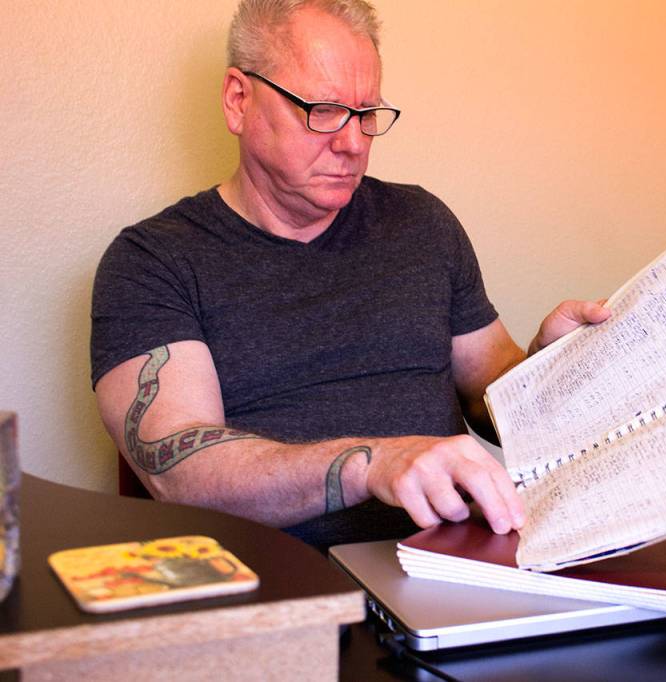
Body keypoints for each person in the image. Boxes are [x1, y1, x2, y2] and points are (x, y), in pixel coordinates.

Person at [90, 0, 609, 550]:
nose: (354, 143)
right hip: (286, 583)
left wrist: (553, 367)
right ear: (238, 100)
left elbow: (492, 399)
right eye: (322, 110)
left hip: (448, 567)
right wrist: (373, 464)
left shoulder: (422, 223)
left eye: (366, 114)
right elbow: (179, 472)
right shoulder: (153, 261)